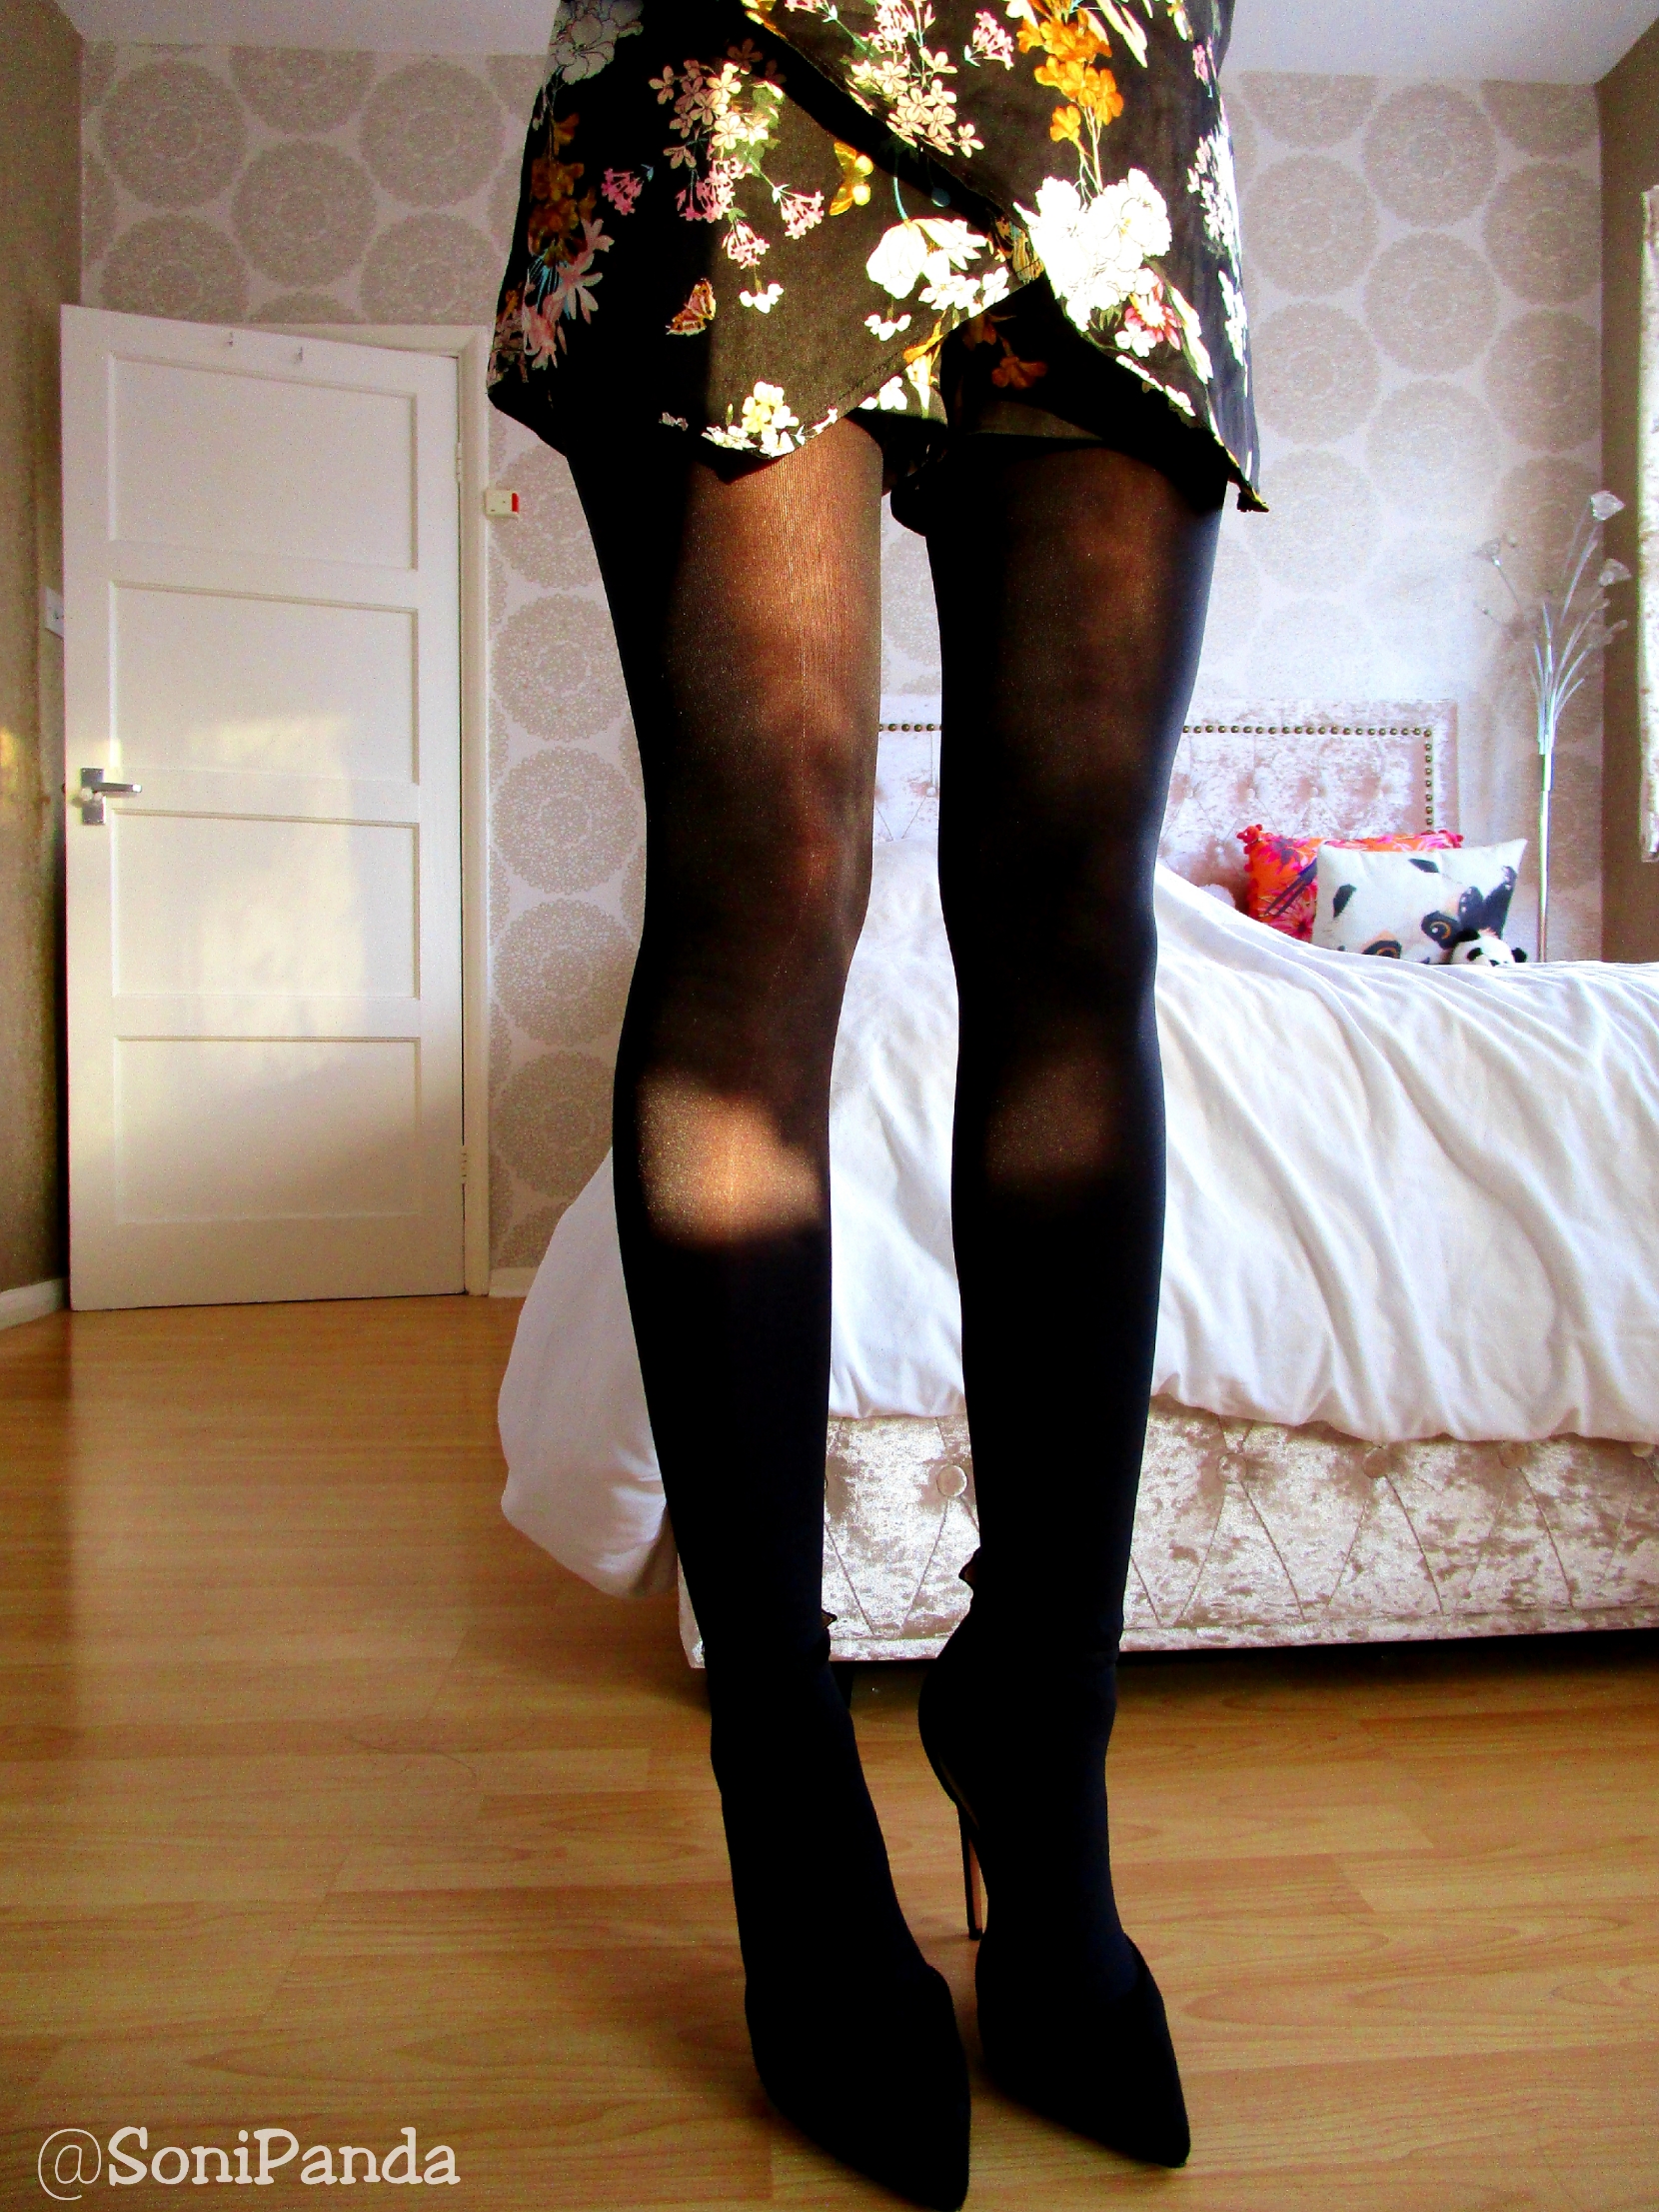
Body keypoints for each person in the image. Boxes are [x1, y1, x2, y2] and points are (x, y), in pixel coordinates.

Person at [490, 5, 1258, 2203]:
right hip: (738, 54)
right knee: (767, 875)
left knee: (1073, 909)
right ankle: (786, 1781)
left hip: (1095, 76)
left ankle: (1043, 1738)